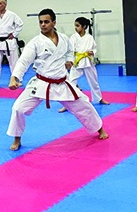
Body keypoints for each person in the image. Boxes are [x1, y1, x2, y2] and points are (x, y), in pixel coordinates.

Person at [7, 9, 108, 151]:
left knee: (85, 105)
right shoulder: (35, 42)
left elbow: (69, 52)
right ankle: (17, 139)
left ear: (54, 22)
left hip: (61, 83)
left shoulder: (64, 39)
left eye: (46, 22)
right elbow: (23, 61)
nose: (43, 25)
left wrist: (69, 61)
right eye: (40, 22)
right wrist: (14, 78)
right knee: (18, 108)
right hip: (41, 83)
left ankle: (99, 129)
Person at [60, 17, 108, 112]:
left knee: (94, 82)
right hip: (77, 62)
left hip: (87, 61)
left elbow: (94, 47)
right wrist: (69, 61)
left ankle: (98, 98)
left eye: (77, 26)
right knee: (71, 82)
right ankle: (67, 104)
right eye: (75, 26)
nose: (76, 28)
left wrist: (92, 52)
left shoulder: (89, 37)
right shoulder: (73, 37)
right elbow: (70, 50)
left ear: (84, 26)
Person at [0, 0, 23, 87]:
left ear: (5, 5)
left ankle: (17, 80)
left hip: (9, 41)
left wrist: (14, 34)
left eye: (0, 3)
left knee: (13, 62)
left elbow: (20, 24)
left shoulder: (12, 15)